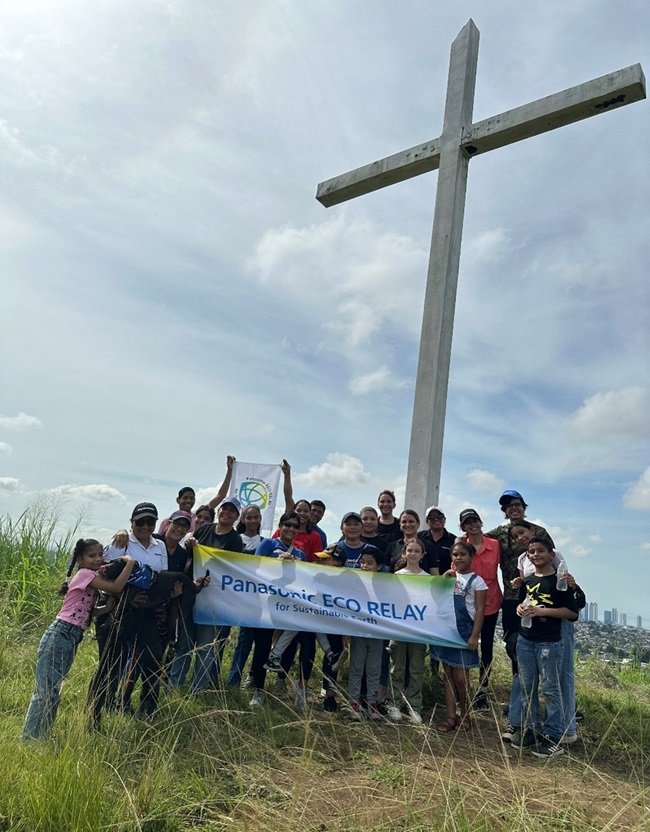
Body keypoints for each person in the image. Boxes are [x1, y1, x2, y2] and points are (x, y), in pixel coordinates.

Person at [22, 540, 136, 740]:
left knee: (53, 690)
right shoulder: (86, 574)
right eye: (92, 556)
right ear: (80, 559)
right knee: (46, 692)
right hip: (61, 633)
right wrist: (130, 563)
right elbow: (117, 587)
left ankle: (42, 736)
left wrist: (108, 606)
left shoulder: (91, 578)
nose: (99, 559)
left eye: (101, 554)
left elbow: (90, 612)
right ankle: (31, 739)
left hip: (71, 636)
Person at [512, 535, 578, 758]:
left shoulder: (560, 582)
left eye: (541, 551)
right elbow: (522, 603)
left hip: (549, 642)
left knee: (551, 689)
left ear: (552, 555)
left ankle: (553, 736)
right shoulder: (528, 581)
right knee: (526, 687)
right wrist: (520, 610)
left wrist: (543, 612)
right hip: (526, 639)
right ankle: (531, 729)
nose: (536, 555)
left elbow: (571, 613)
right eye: (532, 552)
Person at [187, 497, 243, 692]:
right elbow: (191, 554)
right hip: (193, 593)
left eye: (232, 511)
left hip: (215, 599)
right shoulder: (204, 529)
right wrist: (190, 543)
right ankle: (176, 686)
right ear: (218, 511)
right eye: (223, 509)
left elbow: (230, 569)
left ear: (237, 516)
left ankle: (197, 689)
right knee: (184, 645)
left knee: (206, 647)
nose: (226, 513)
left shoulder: (235, 540)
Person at [434, 542, 487, 733]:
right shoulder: (448, 578)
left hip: (465, 632)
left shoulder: (477, 581)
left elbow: (480, 609)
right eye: (455, 554)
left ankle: (465, 714)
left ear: (471, 557)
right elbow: (435, 598)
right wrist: (442, 579)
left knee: (462, 679)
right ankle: (450, 717)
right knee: (447, 675)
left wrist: (475, 635)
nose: (459, 558)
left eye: (463, 554)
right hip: (447, 630)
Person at [456, 508, 502, 709]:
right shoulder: (461, 546)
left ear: (481, 522)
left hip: (490, 601)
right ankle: (461, 687)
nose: (473, 525)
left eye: (475, 520)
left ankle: (482, 690)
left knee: (487, 647)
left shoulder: (494, 545)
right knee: (464, 643)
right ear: (463, 527)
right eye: (468, 522)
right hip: (467, 603)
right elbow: (455, 569)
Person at [387, 539, 431, 724]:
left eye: (417, 550)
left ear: (422, 555)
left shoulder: (428, 578)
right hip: (398, 628)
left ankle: (414, 706)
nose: (413, 553)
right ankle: (394, 704)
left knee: (416, 669)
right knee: (396, 667)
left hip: (418, 630)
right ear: (404, 553)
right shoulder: (396, 576)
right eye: (410, 550)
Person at [226, 505, 264, 689]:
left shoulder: (264, 543)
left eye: (255, 517)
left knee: (246, 640)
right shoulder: (234, 540)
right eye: (248, 517)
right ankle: (216, 678)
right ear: (242, 519)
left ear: (260, 519)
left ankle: (237, 680)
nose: (252, 521)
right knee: (222, 638)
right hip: (230, 596)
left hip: (254, 599)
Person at [346, 548, 387, 721]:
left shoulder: (386, 584)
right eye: (362, 562)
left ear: (378, 566)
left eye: (369, 563)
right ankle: (354, 702)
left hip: (377, 633)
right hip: (358, 631)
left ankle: (372, 702)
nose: (364, 566)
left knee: (373, 669)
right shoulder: (354, 582)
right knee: (356, 668)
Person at [158, 455, 236, 534]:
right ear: (178, 500)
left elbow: (221, 495)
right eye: (185, 498)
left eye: (191, 498)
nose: (188, 501)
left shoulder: (198, 516)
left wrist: (230, 470)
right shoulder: (167, 522)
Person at [386, 509, 439, 574]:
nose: (407, 525)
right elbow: (386, 574)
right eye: (404, 522)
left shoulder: (429, 546)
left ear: (418, 524)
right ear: (400, 524)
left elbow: (435, 575)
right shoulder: (392, 547)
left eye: (411, 521)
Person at [418, 506, 456, 576]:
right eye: (431, 518)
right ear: (427, 521)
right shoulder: (419, 537)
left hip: (446, 582)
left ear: (444, 519)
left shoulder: (454, 540)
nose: (436, 519)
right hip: (421, 581)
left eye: (439, 517)